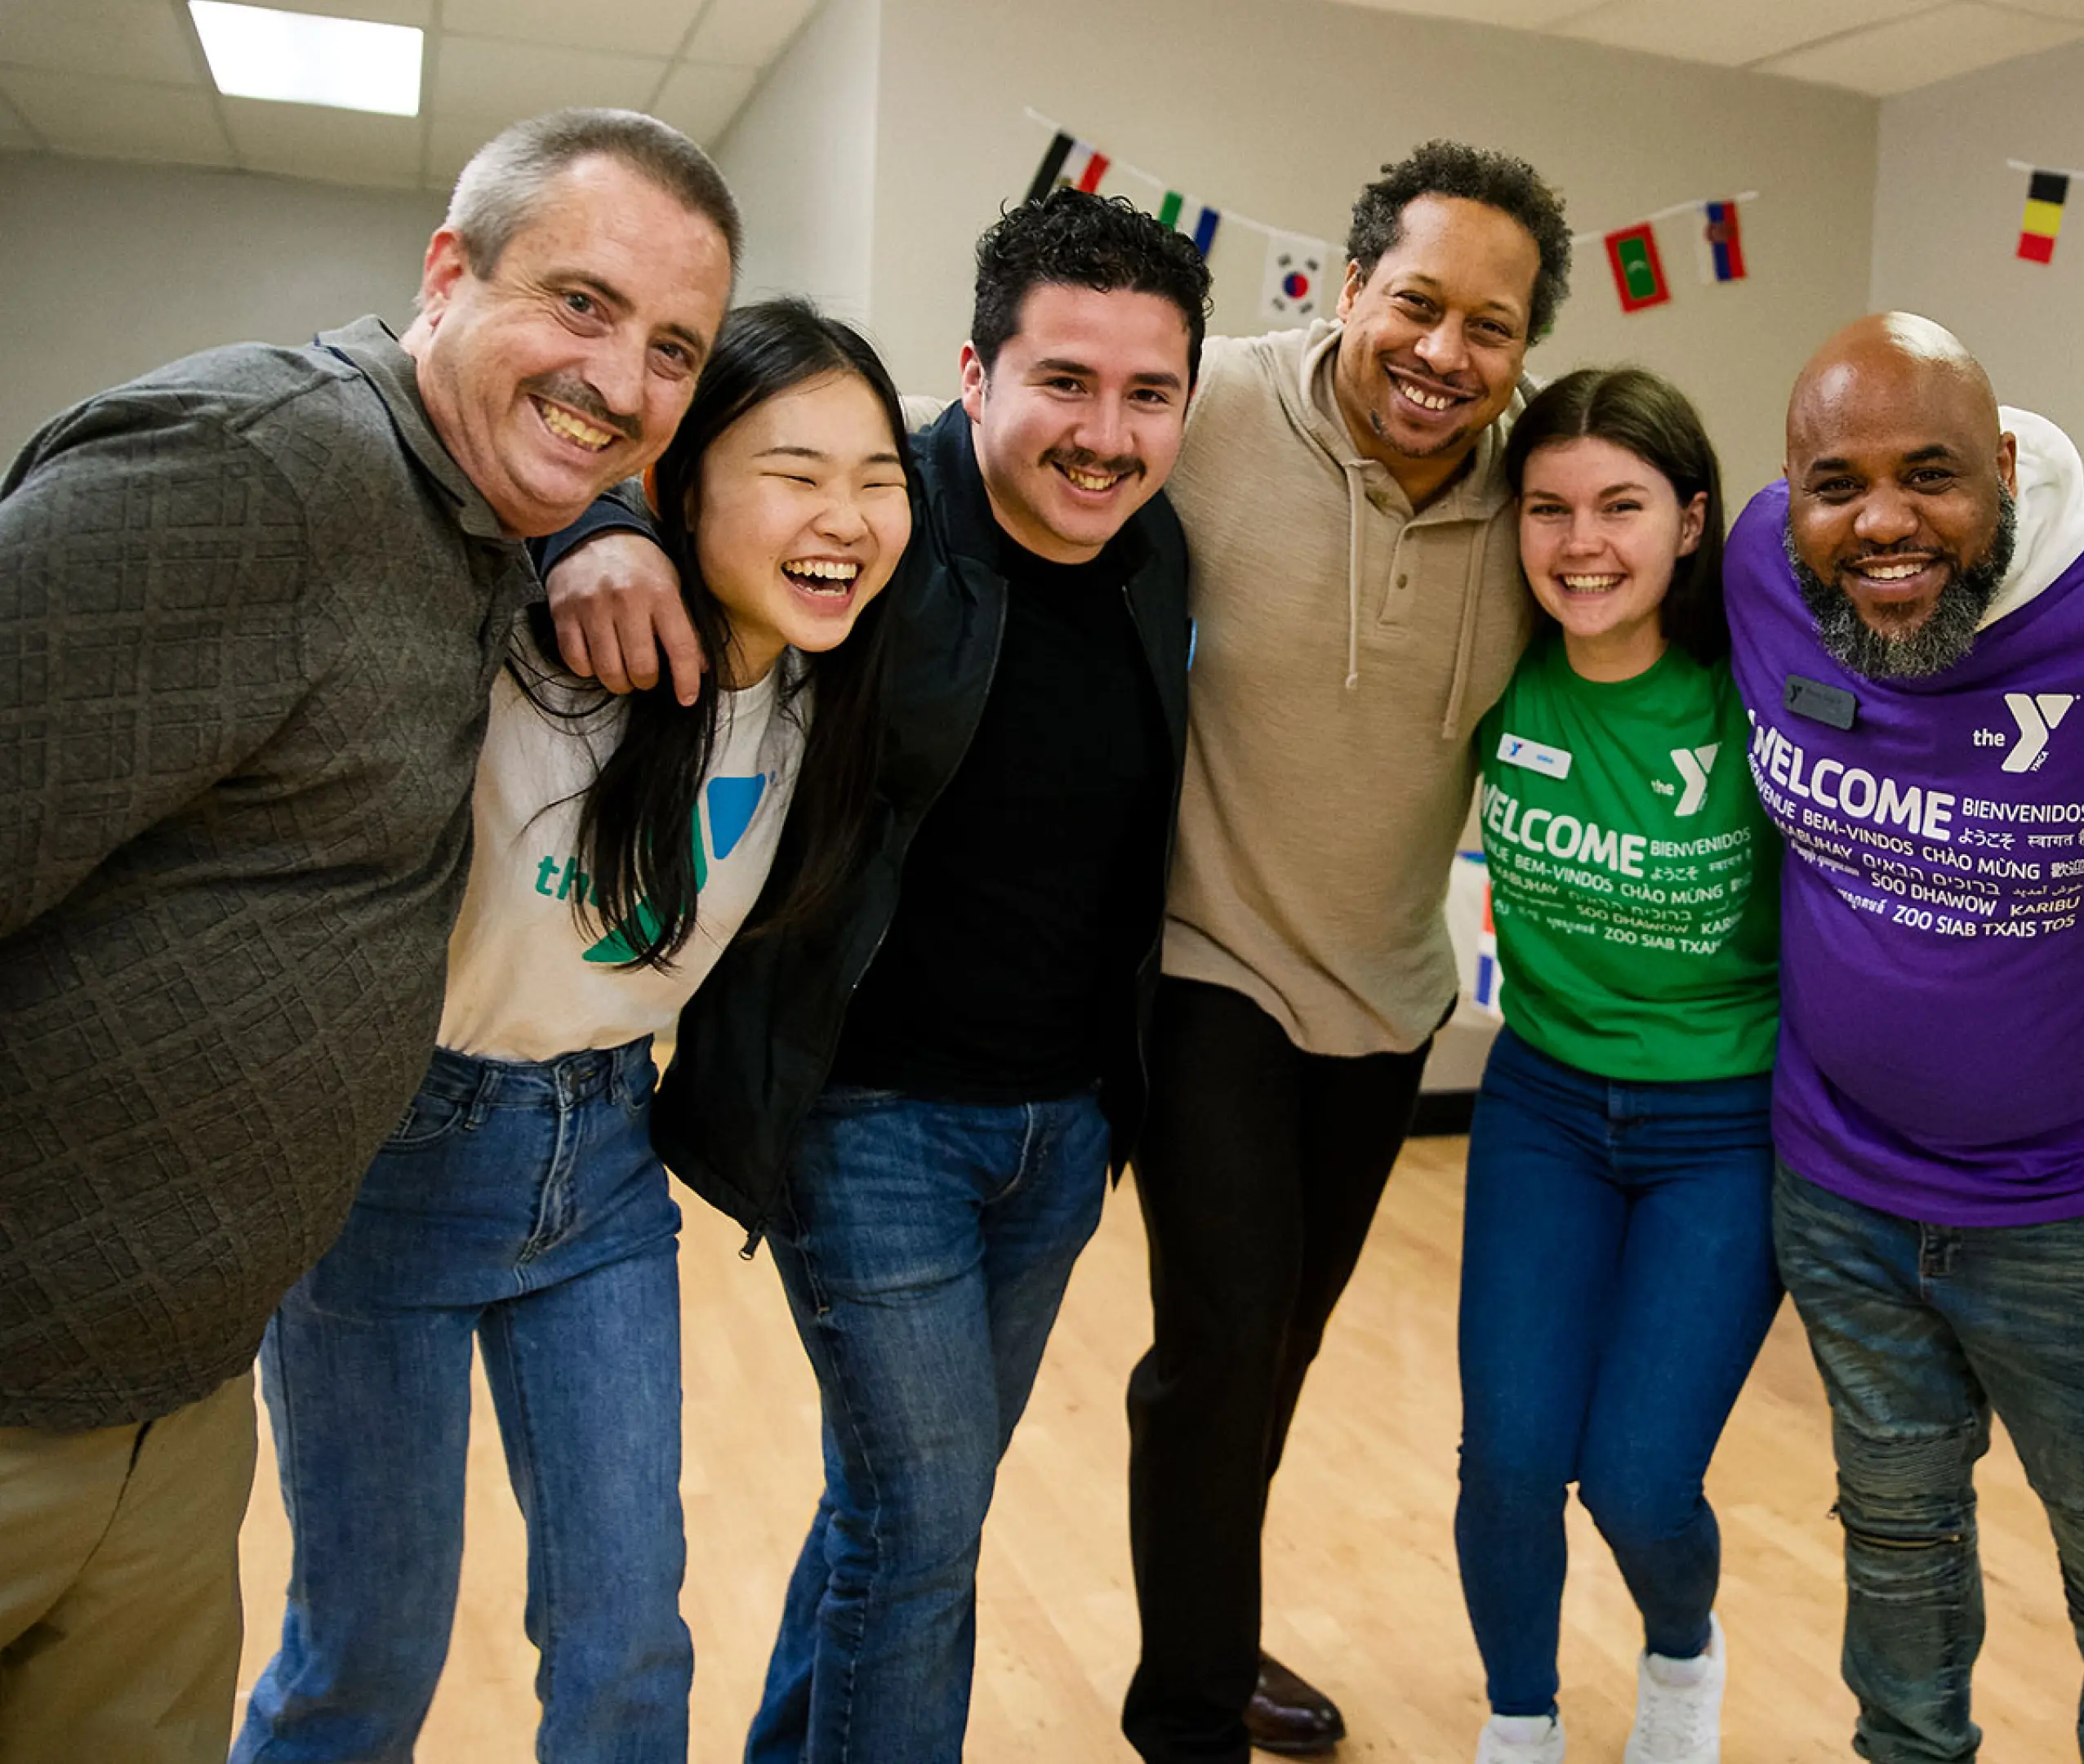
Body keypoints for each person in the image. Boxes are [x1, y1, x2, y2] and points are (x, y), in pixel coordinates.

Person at [0, 109, 736, 1763]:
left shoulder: (462, 516)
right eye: (582, 302)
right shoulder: (250, 469)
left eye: (673, 348)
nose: (621, 381)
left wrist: (591, 520)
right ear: (446, 271)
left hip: (175, 1389)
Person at [536, 188, 1208, 1762]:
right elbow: (678, 470)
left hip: (1057, 1132)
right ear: (971, 378)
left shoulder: (1161, 548)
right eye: (1063, 382)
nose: (1105, 434)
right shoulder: (877, 515)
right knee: (925, 1532)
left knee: (897, 1504)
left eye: (1149, 393)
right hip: (872, 1114)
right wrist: (601, 524)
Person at [232, 300, 911, 1764]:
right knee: (368, 1652)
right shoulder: (535, 641)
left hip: (603, 1158)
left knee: (626, 1648)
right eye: (793, 470)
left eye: (880, 479)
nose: (844, 518)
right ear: (676, 480)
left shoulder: (823, 686)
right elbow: (417, 417)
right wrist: (583, 522)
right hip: (386, 1156)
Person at [1722, 312, 2084, 1764]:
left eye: (1931, 474)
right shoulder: (1761, 570)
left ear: (2006, 464)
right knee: (1893, 1534)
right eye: (1837, 485)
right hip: (1839, 1183)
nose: (1883, 520)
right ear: (1787, 495)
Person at [1122, 141, 1566, 1764]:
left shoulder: (1543, 494)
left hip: (1388, 1000)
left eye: (1493, 328)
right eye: (1418, 304)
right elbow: (994, 463)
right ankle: (1187, 1716)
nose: (1446, 354)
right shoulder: (1218, 405)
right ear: (1348, 287)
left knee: (1283, 1345)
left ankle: (1213, 1636)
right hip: (1206, 963)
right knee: (1222, 1341)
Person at [1456, 368, 1781, 1764]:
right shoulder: (1491, 664)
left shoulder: (1757, 685)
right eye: (1549, 508)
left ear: (1692, 520)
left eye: (1621, 506)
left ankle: (1681, 1660)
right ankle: (1518, 1722)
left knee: (1643, 1481)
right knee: (1516, 1462)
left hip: (1728, 1124)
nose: (1581, 541)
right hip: (1540, 1102)